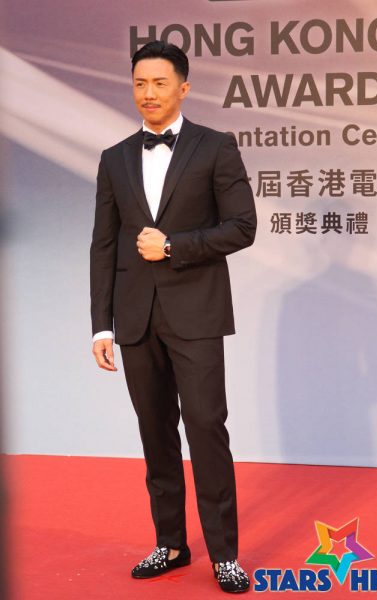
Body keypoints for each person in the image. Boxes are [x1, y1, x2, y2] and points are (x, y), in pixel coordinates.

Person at [90, 40, 257, 593]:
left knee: (206, 427)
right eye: (140, 82)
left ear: (183, 88)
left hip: (197, 313)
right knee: (155, 432)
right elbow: (104, 245)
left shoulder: (216, 146)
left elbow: (242, 226)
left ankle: (225, 554)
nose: (148, 93)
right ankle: (170, 543)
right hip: (136, 319)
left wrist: (173, 247)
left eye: (160, 83)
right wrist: (102, 324)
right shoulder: (114, 158)